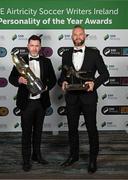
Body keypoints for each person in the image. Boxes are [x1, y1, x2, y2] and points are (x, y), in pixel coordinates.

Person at [58, 25, 109, 173]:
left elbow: (105, 74)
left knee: (91, 129)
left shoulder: (94, 54)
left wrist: (95, 83)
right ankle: (73, 156)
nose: (78, 37)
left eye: (80, 34)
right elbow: (63, 76)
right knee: (72, 129)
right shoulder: (66, 54)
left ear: (85, 36)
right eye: (75, 34)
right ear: (71, 37)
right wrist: (63, 82)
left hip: (89, 98)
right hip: (72, 98)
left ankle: (93, 159)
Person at [9, 35, 56, 172]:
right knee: (26, 133)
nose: (34, 48)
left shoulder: (46, 62)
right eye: (32, 45)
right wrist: (19, 80)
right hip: (27, 103)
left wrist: (46, 86)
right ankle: (26, 160)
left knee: (38, 132)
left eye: (37, 45)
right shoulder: (20, 61)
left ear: (40, 47)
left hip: (41, 103)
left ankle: (37, 155)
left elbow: (52, 79)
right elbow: (11, 78)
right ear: (28, 46)